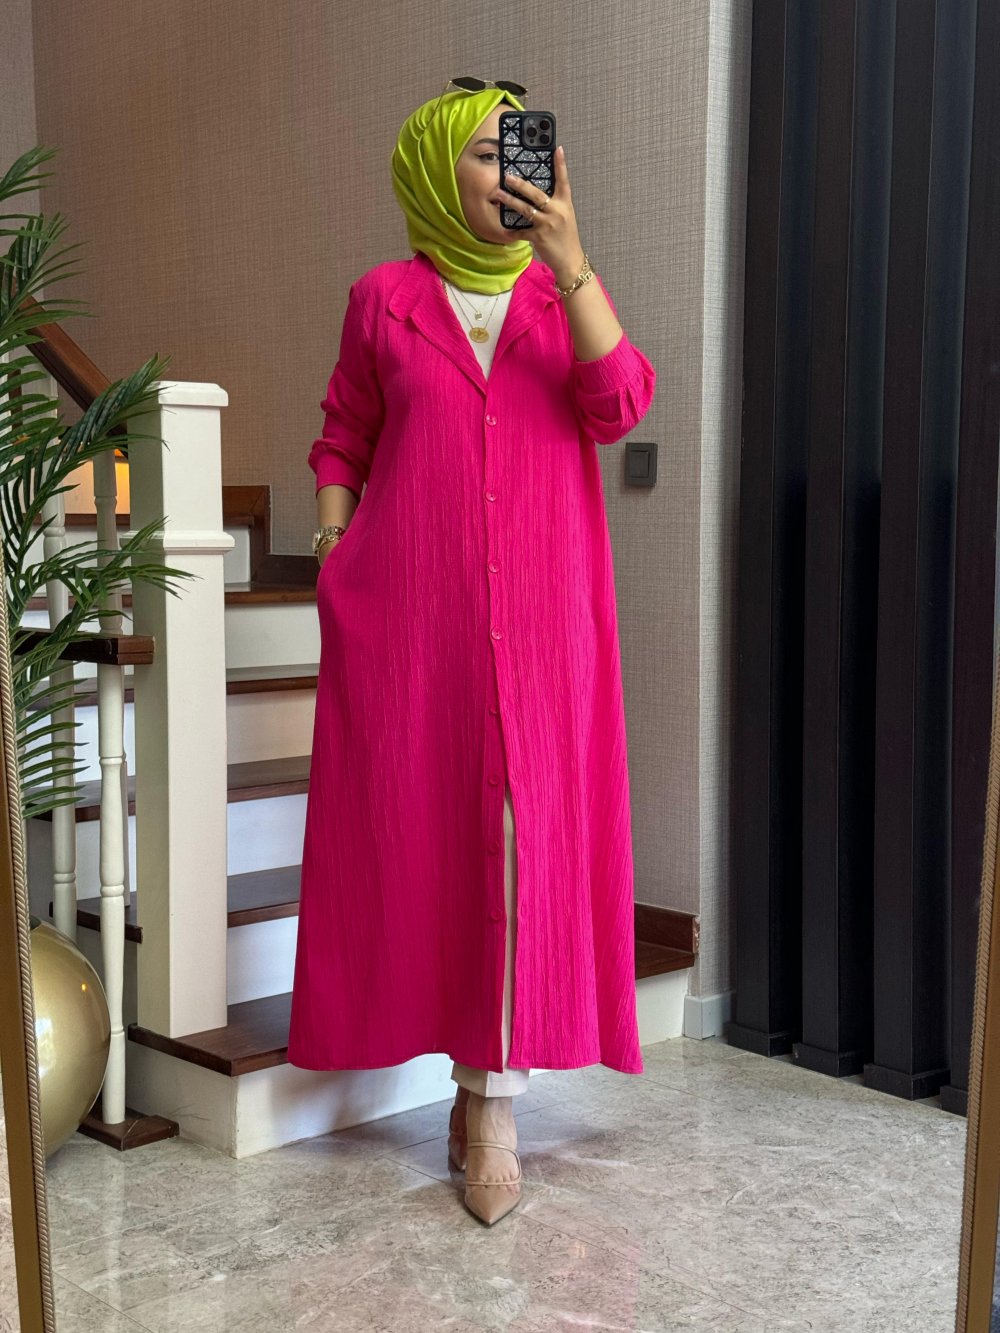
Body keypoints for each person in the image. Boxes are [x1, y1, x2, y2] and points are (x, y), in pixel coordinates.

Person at [287, 80, 657, 1227]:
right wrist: (335, 546)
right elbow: (344, 430)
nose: (511, 171)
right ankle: (470, 1080)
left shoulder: (556, 291)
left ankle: (493, 1101)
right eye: (487, 152)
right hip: (413, 612)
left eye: (521, 150)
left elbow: (619, 405)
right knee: (432, 839)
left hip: (545, 615)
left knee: (518, 839)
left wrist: (574, 260)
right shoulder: (383, 299)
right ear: (434, 168)